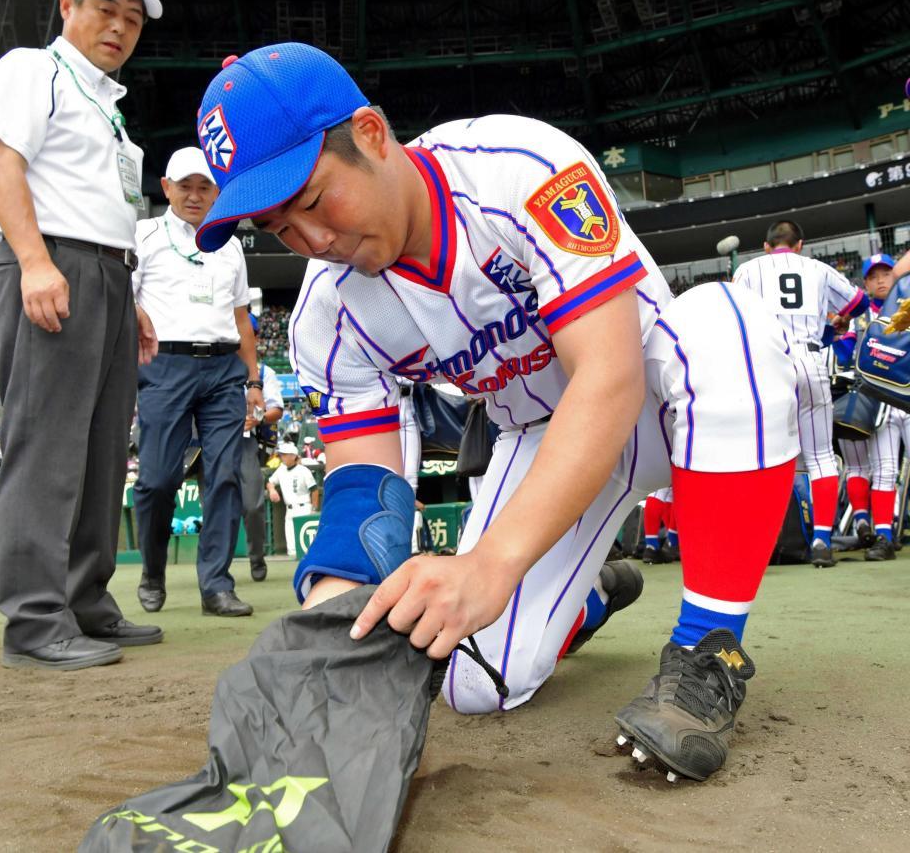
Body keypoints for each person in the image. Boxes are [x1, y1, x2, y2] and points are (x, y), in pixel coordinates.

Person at [193, 43, 800, 783]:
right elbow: (365, 497)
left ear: (373, 135)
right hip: (541, 440)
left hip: (660, 399)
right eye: (281, 227)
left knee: (728, 323)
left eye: (315, 199)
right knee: (472, 681)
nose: (313, 240)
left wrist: (491, 563)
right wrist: (325, 633)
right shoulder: (327, 314)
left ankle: (710, 648)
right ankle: (585, 598)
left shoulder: (516, 167)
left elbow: (608, 378)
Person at [0, 0, 164, 670]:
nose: (119, 29)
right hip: (53, 262)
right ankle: (33, 619)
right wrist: (34, 262)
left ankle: (85, 599)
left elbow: (101, 204)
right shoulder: (34, 70)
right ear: (68, 6)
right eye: (106, 11)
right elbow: (5, 164)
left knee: (101, 450)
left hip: (108, 276)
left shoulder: (109, 109)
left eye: (132, 20)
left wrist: (131, 295)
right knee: (50, 445)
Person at [131, 147, 263, 617]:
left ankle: (217, 585)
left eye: (204, 186)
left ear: (217, 192)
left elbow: (242, 319)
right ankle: (152, 569)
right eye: (184, 185)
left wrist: (253, 383)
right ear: (165, 188)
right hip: (164, 366)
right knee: (156, 480)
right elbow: (127, 302)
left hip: (224, 370)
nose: (194, 195)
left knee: (225, 476)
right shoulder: (143, 236)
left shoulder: (229, 244)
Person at [732, 220, 869, 568]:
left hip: (768, 364)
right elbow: (859, 302)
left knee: (764, 457)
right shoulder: (817, 268)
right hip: (810, 360)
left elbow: (734, 317)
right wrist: (836, 321)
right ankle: (822, 540)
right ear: (799, 245)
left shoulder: (748, 269)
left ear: (767, 246)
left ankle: (762, 542)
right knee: (822, 455)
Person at [835, 253, 902, 560]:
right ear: (866, 283)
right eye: (874, 276)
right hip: (882, 399)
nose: (880, 280)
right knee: (884, 468)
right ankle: (883, 536)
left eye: (885, 273)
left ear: (896, 275)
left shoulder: (907, 304)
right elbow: (845, 352)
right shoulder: (860, 318)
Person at [242, 363, 284, 581]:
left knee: (252, 505)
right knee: (213, 506)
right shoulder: (213, 360)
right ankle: (213, 571)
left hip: (245, 442)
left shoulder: (265, 372)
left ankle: (256, 556)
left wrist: (258, 418)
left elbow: (276, 410)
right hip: (211, 443)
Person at [266, 441, 319, 556]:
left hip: (303, 508)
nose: (282, 457)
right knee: (292, 549)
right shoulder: (281, 469)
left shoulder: (303, 470)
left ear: (293, 456)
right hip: (289, 510)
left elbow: (314, 490)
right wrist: (272, 490)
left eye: (285, 454)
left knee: (306, 547)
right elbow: (270, 482)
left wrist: (314, 509)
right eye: (282, 454)